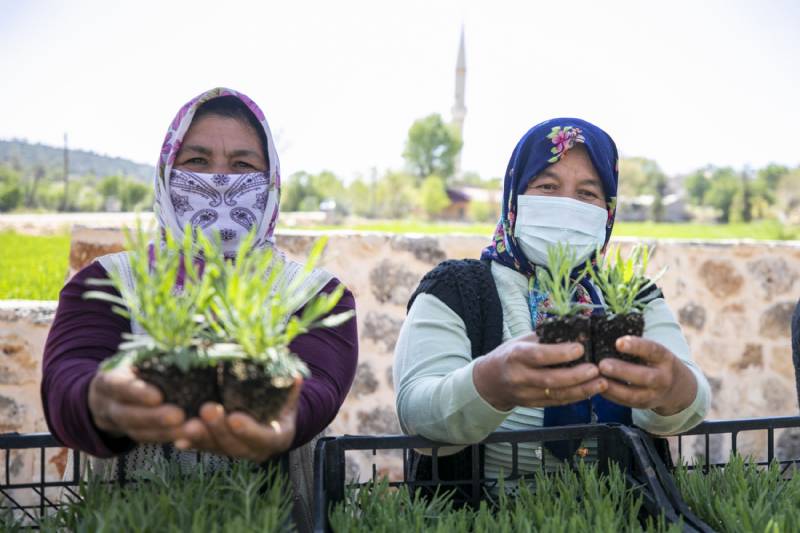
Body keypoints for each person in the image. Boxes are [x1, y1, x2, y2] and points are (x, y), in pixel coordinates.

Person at [41, 87, 358, 530]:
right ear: (167, 172)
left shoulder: (315, 294)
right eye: (197, 162)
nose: (219, 180)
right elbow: (66, 377)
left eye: (243, 165)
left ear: (270, 182)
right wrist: (102, 400)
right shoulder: (107, 282)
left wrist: (281, 416)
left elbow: (318, 387)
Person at [393, 118, 711, 489]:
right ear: (514, 196)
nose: (566, 205)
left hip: (621, 515)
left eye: (588, 194)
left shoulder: (633, 297)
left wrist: (670, 387)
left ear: (607, 209)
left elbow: (692, 405)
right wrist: (491, 383)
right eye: (547, 186)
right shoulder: (458, 289)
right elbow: (417, 415)